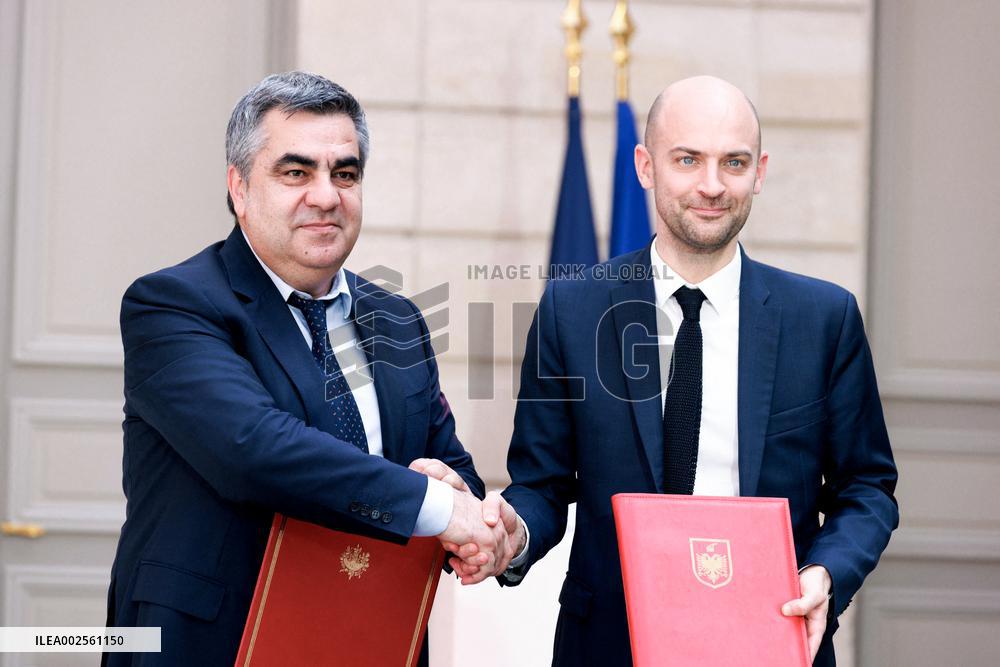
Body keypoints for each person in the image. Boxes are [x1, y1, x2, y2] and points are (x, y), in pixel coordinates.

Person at [447, 75, 899, 666]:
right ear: (645, 166)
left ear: (759, 172)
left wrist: (824, 574)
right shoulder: (571, 309)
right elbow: (544, 482)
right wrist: (514, 534)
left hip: (772, 636)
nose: (711, 186)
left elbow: (867, 488)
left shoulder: (823, 319)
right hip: (610, 644)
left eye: (733, 163)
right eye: (687, 159)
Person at [103, 71, 507, 666]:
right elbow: (254, 448)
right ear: (239, 187)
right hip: (211, 645)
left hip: (373, 639)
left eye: (345, 173)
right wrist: (443, 509)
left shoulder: (395, 319)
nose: (326, 195)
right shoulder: (173, 304)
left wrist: (487, 524)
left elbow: (450, 469)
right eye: (296, 172)